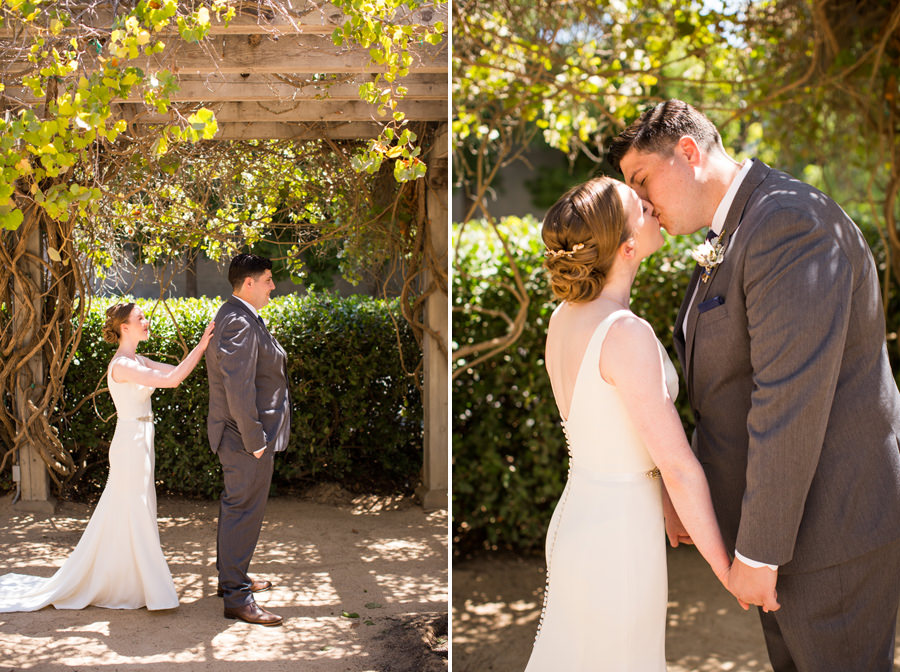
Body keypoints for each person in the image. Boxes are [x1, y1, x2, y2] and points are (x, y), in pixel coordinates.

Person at [607, 99, 900, 672]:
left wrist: (758, 553)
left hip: (832, 537)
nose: (641, 204)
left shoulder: (789, 223)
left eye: (643, 181)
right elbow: (725, 393)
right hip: (787, 530)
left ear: (688, 153)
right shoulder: (737, 229)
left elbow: (786, 401)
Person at [525, 176, 740, 670]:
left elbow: (613, 431)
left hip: (583, 513)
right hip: (617, 536)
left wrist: (662, 501)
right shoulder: (625, 332)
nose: (652, 207)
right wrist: (726, 570)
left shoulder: (564, 317)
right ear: (626, 245)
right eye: (640, 208)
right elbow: (678, 465)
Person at [0, 302, 214, 612]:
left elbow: (175, 370)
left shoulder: (138, 359)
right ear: (124, 327)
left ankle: (132, 583)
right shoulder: (122, 365)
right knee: (135, 511)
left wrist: (206, 350)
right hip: (129, 444)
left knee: (132, 512)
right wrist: (203, 342)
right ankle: (151, 590)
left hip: (142, 441)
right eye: (139, 318)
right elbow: (174, 380)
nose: (145, 321)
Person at [206, 253, 291, 627]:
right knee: (243, 511)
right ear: (249, 283)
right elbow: (237, 387)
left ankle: (232, 581)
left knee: (237, 508)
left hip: (243, 434)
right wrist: (255, 439)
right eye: (268, 279)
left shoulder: (237, 315)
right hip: (244, 437)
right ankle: (237, 597)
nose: (273, 286)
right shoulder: (238, 321)